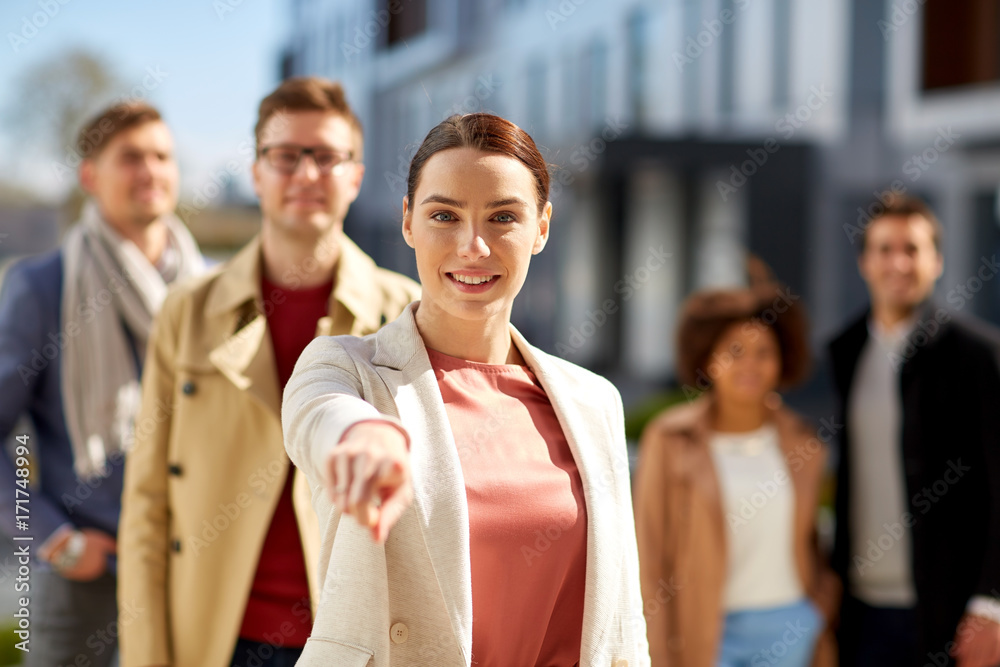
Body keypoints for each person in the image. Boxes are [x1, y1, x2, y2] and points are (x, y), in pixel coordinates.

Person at [282, 112, 648, 666]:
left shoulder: (593, 401)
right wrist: (361, 433)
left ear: (542, 227)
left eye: (502, 216)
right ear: (408, 222)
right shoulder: (347, 369)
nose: (472, 246)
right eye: (444, 216)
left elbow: (621, 623)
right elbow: (319, 416)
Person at [117, 77, 420, 667]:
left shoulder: (402, 312)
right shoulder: (188, 311)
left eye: (327, 157)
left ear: (355, 177)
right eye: (285, 156)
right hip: (214, 635)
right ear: (256, 173)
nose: (306, 174)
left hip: (353, 640)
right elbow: (148, 504)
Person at [0, 101, 203, 666]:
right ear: (90, 176)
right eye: (130, 157)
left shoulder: (209, 290)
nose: (150, 171)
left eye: (161, 156)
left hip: (187, 571)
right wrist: (53, 538)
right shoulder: (42, 286)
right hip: (83, 578)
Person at [634, 273, 840, 667]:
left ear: (781, 362)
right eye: (735, 350)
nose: (751, 364)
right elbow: (650, 554)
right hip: (704, 632)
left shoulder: (803, 441)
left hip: (790, 626)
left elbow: (813, 539)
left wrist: (818, 609)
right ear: (709, 359)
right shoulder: (671, 438)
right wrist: (656, 648)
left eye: (764, 352)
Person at [829, 194, 1000, 667]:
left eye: (912, 248)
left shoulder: (978, 355)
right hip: (860, 610)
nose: (898, 263)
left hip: (951, 611)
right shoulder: (844, 352)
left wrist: (992, 602)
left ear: (937, 261)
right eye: (885, 249)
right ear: (865, 261)